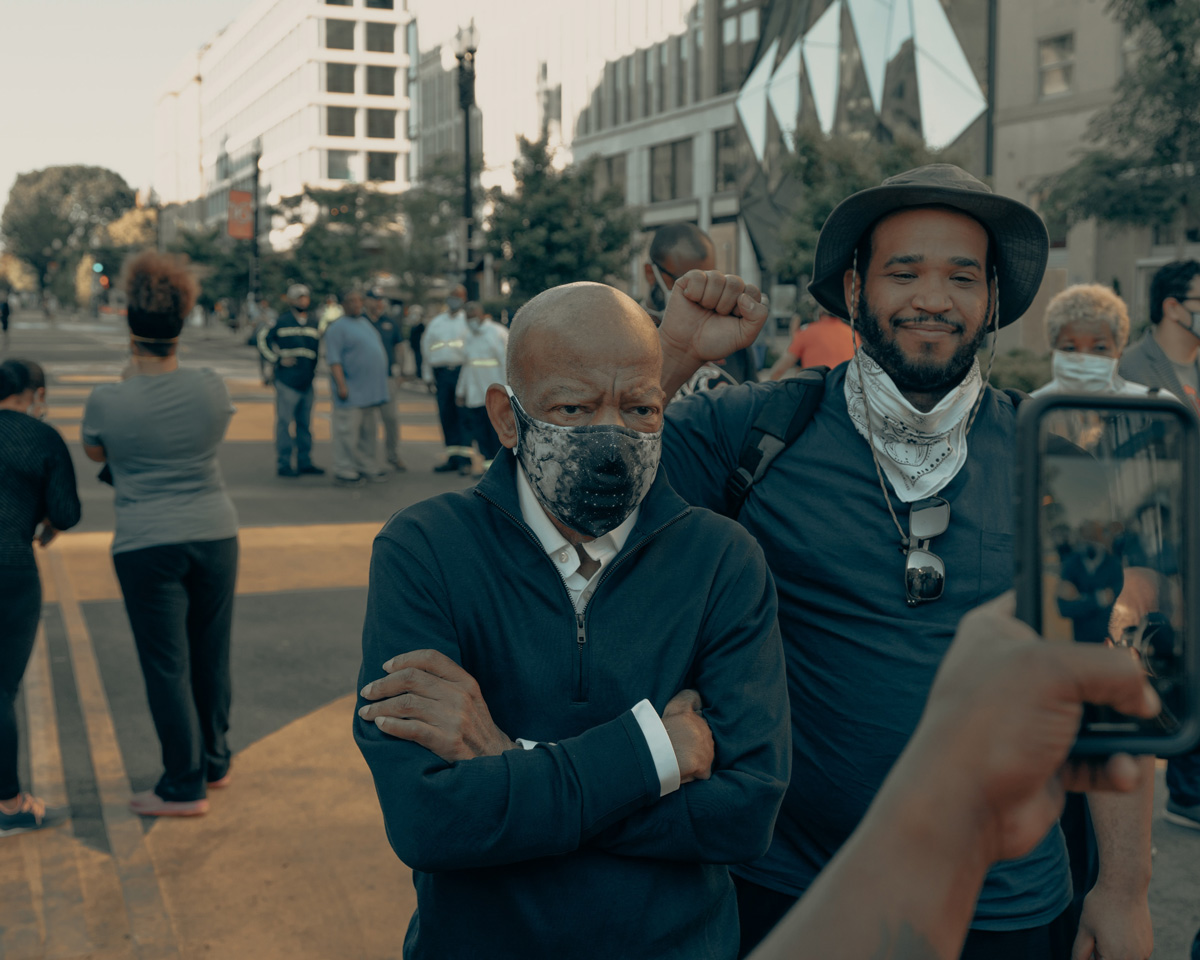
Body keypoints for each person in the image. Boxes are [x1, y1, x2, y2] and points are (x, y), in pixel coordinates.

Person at [656, 164, 1154, 960]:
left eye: (962, 276)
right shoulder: (753, 429)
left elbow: (1105, 678)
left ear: (991, 299)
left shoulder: (1061, 456)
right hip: (794, 891)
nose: (933, 297)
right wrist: (672, 352)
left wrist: (1122, 890)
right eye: (904, 271)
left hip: (1010, 906)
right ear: (854, 289)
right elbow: (571, 489)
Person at [355, 281, 790, 960]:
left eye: (640, 408)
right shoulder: (426, 550)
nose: (611, 435)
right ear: (506, 417)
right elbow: (429, 821)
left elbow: (743, 816)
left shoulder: (722, 561)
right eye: (574, 407)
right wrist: (654, 752)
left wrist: (510, 759)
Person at [748, 592, 1160, 960]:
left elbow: (1104, 667)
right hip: (789, 876)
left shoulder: (1039, 514)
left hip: (1013, 899)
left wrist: (1124, 889)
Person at [82, 251, 239, 818]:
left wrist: (130, 388)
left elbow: (100, 452)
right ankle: (215, 762)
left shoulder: (108, 399)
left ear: (129, 322)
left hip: (146, 541)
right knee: (210, 653)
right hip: (215, 533)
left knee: (166, 664)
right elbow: (209, 431)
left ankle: (182, 783)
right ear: (184, 320)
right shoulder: (211, 388)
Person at [1118, 259, 1200, 834]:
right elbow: (1127, 478)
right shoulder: (1132, 371)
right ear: (1174, 305)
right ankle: (1185, 789)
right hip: (1165, 545)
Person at [0, 358, 80, 836]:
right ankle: (9, 804)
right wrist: (46, 523)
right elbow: (66, 512)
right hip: (11, 568)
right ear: (36, 393)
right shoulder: (41, 438)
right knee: (1, 689)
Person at [642, 222, 758, 393]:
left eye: (708, 281)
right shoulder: (627, 336)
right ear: (651, 274)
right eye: (685, 282)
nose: (700, 294)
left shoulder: (726, 334)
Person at [1033, 284, 1158, 397]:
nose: (1084, 358)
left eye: (1099, 348)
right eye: (1070, 348)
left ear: (1118, 353)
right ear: (1053, 353)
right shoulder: (1027, 409)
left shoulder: (1155, 408)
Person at [258, 284, 325, 478]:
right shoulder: (281, 321)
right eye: (299, 297)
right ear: (291, 300)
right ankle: (284, 463)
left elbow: (317, 349)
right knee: (285, 423)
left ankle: (305, 461)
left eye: (305, 297)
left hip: (307, 382)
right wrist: (277, 359)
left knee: (305, 424)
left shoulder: (313, 322)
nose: (303, 300)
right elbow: (262, 341)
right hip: (287, 382)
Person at [325, 290, 390, 486]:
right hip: (351, 391)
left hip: (371, 392)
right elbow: (334, 360)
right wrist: (341, 385)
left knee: (368, 434)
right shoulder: (336, 328)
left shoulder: (364, 323)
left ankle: (366, 466)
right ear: (343, 304)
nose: (355, 304)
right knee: (347, 433)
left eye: (358, 300)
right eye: (351, 301)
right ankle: (344, 469)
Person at [422, 286, 472, 473]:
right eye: (452, 296)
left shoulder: (468, 322)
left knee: (464, 415)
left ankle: (465, 460)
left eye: (459, 297)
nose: (455, 300)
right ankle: (452, 457)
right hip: (441, 374)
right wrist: (427, 375)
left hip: (462, 372)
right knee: (446, 415)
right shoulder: (436, 323)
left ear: (464, 299)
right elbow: (426, 349)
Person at [455, 301, 507, 473]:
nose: (471, 321)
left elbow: (507, 365)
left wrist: (507, 390)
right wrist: (460, 390)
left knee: (496, 432)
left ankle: (499, 468)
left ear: (482, 315)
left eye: (473, 317)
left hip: (495, 393)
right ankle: (488, 467)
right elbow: (467, 365)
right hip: (475, 394)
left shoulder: (497, 333)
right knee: (480, 433)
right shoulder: (468, 336)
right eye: (468, 318)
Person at [366, 290, 407, 473]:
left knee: (390, 419)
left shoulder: (390, 322)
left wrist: (401, 371)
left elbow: (399, 347)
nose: (378, 303)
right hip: (366, 378)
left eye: (380, 300)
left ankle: (393, 455)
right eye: (374, 300)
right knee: (367, 422)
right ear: (367, 301)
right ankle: (369, 459)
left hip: (387, 377)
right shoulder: (361, 322)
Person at [767, 305, 859, 380]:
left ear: (819, 313)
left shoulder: (807, 332)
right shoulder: (853, 334)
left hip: (814, 393)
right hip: (843, 392)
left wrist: (770, 385)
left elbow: (781, 367)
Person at [406, 304, 426, 382]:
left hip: (420, 348)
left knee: (420, 362)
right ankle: (417, 375)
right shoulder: (413, 326)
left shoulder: (421, 327)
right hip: (414, 347)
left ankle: (420, 376)